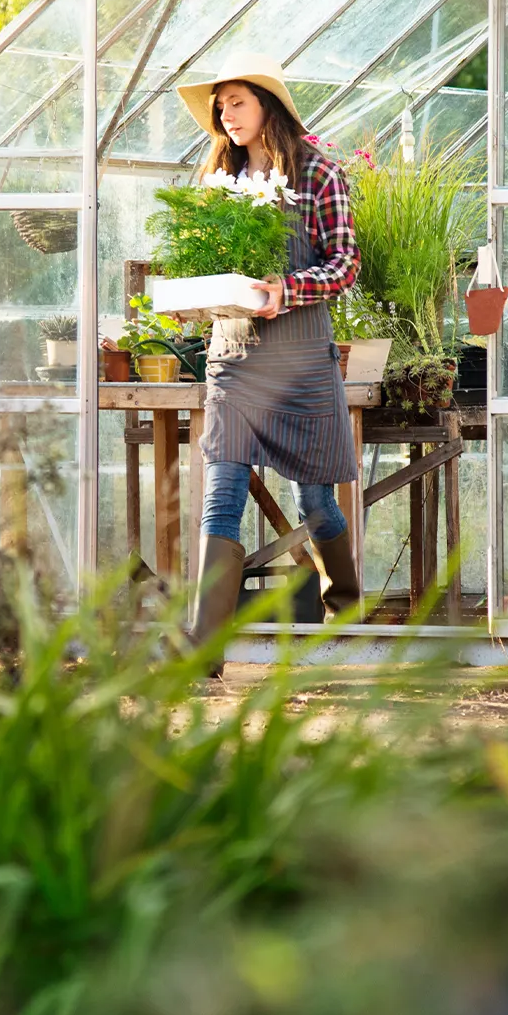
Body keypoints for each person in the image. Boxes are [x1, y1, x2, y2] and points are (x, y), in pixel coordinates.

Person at [173, 53, 362, 670]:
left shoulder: (317, 175)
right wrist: (189, 301)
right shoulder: (215, 182)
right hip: (234, 356)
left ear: (267, 106)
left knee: (315, 504)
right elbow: (201, 269)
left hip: (301, 360)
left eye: (237, 102)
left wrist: (289, 288)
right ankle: (204, 652)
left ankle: (347, 602)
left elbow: (344, 264)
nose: (225, 115)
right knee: (221, 494)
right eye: (219, 106)